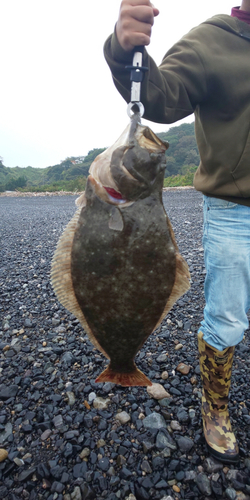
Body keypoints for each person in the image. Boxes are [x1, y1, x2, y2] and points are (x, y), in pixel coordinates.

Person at [103, 0, 250, 464]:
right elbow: (160, 97)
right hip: (235, 210)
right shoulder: (212, 41)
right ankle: (216, 406)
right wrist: (126, 53)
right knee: (228, 317)